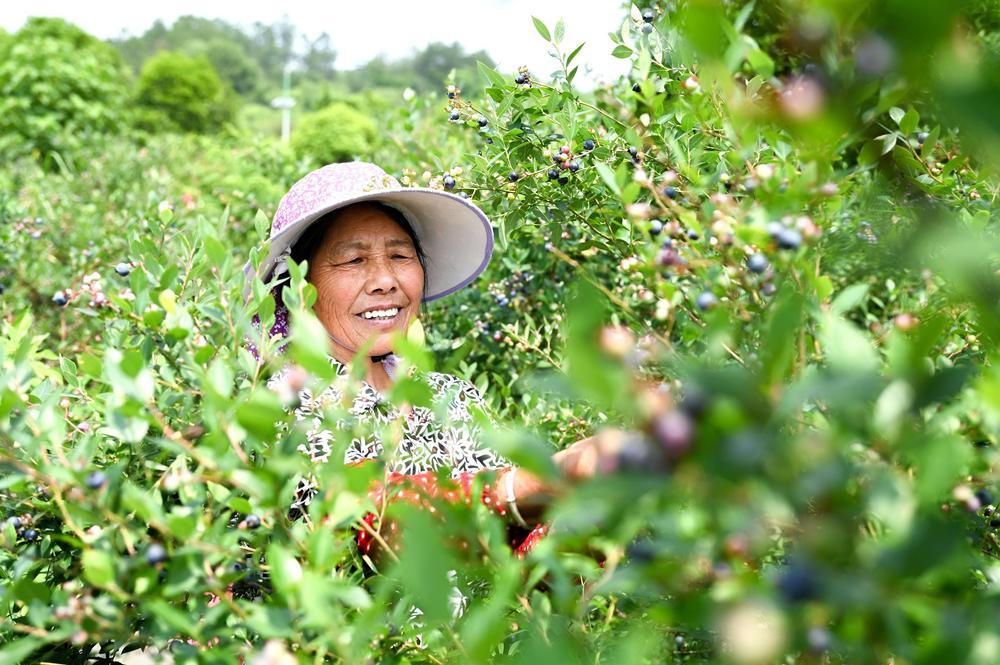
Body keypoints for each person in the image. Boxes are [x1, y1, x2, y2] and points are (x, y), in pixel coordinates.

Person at [243, 161, 623, 565]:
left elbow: (516, 553)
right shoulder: (277, 404)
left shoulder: (450, 397)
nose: (385, 280)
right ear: (298, 288)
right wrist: (549, 478)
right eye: (353, 261)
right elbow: (373, 521)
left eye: (400, 255)